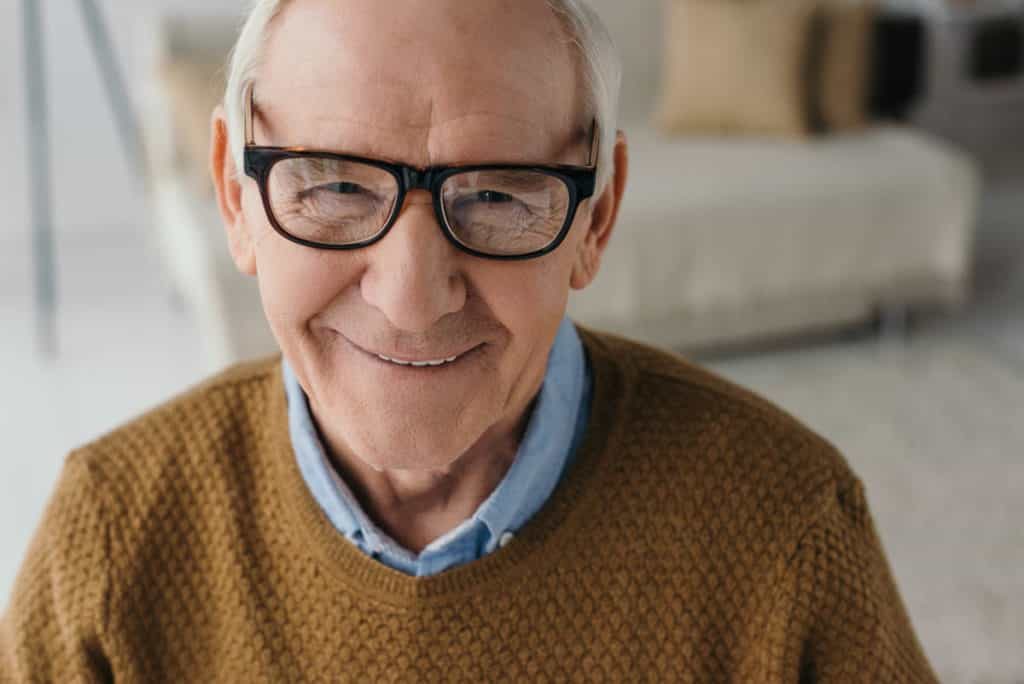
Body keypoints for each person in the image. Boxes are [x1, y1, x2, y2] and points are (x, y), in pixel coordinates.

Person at [1, 0, 939, 681]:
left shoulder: (787, 529)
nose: (411, 299)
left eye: (496, 195)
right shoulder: (113, 534)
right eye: (332, 187)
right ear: (235, 198)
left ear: (597, 216)